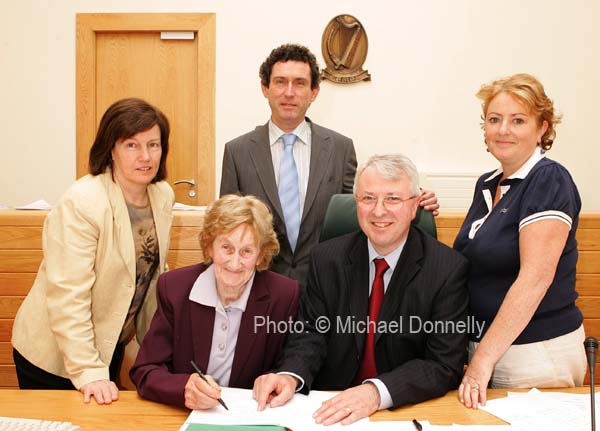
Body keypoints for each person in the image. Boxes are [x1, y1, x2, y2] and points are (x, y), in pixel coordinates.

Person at [252, 154, 468, 425]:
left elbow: (442, 364)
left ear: (414, 207)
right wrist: (290, 375)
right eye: (368, 198)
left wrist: (376, 392)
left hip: (401, 411)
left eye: (393, 199)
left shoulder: (447, 269)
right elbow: (310, 333)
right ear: (356, 204)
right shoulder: (326, 258)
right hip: (329, 408)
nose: (379, 211)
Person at [220, 43, 439, 288]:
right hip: (258, 287)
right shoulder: (237, 152)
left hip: (327, 287)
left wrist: (414, 200)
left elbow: (358, 212)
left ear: (314, 92)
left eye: (300, 83)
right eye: (280, 82)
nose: (289, 92)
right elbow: (227, 227)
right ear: (265, 88)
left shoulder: (340, 149)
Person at [11, 98, 174, 404]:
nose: (145, 156)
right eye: (131, 145)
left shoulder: (162, 195)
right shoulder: (83, 201)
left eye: (153, 145)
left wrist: (162, 354)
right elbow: (68, 295)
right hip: (55, 355)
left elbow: (151, 279)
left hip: (106, 345)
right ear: (111, 149)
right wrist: (88, 370)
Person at [454, 74, 586, 409]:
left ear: (542, 128)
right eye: (494, 120)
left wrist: (483, 360)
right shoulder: (488, 184)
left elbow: (535, 278)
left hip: (536, 355)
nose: (503, 130)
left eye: (518, 120)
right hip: (494, 350)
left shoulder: (548, 179)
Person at [130, 194, 299, 410]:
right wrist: (183, 388)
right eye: (226, 248)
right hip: (185, 416)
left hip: (251, 416)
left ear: (260, 255)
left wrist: (280, 378)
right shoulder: (174, 288)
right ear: (209, 247)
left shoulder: (283, 295)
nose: (235, 262)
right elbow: (145, 370)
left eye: (246, 251)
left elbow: (289, 363)